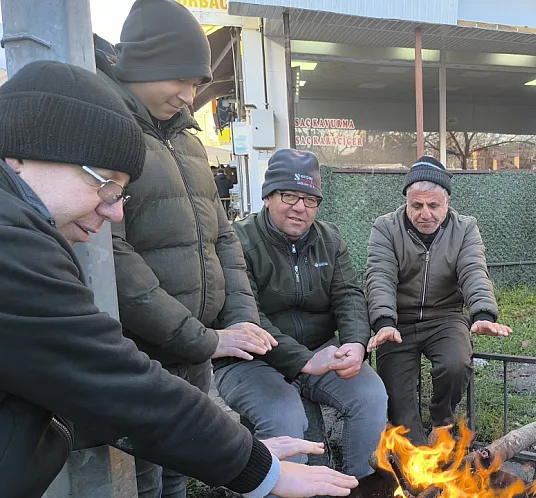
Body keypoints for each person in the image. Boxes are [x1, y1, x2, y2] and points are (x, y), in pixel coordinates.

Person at [0, 60, 357, 498]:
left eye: (121, 194)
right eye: (105, 185)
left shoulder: (23, 231)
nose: (115, 212)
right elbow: (114, 381)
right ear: (20, 154)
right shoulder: (12, 246)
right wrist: (255, 464)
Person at [94, 1, 277, 495]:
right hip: (137, 349)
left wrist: (240, 320)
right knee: (138, 478)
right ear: (144, 62)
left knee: (179, 470)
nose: (189, 95)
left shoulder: (190, 142)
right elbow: (111, 254)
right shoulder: (107, 127)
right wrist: (201, 337)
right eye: (181, 79)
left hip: (193, 350)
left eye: (198, 83)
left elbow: (222, 237)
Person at [214, 149, 388, 478]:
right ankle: (285, 486)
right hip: (250, 359)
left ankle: (360, 486)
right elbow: (243, 315)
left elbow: (349, 294)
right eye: (289, 195)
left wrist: (354, 342)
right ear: (268, 197)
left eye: (309, 199)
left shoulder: (330, 238)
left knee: (371, 395)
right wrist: (302, 361)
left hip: (319, 349)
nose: (299, 207)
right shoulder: (236, 240)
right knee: (284, 416)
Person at [364, 156, 512, 445]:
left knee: (456, 365)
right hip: (398, 322)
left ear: (447, 203)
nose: (425, 214)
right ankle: (418, 459)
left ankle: (442, 421)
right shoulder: (385, 228)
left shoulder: (465, 228)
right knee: (397, 400)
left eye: (434, 205)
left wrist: (482, 313)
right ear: (406, 202)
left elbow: (473, 269)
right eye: (417, 205)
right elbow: (379, 275)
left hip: (446, 316)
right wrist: (383, 321)